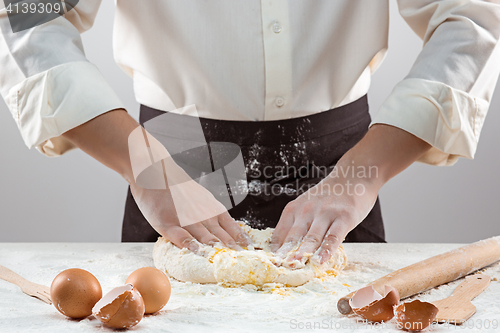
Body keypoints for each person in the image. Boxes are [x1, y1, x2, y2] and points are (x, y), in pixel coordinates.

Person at [1, 1, 499, 264]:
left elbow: (472, 18)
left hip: (340, 168)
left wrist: (361, 177)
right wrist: (146, 168)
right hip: (174, 162)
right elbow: (29, 17)